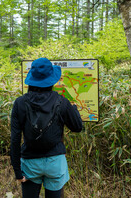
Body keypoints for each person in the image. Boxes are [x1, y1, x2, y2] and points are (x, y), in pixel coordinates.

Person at [10, 58, 83, 198]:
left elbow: (15, 139)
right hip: (55, 161)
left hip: (30, 162)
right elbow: (77, 127)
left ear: (32, 78)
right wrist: (74, 110)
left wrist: (17, 171)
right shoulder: (62, 101)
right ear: (51, 79)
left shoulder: (20, 103)